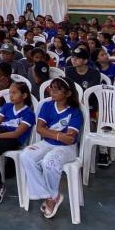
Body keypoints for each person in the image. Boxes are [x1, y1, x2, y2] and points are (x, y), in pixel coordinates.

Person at [19, 77, 83, 219]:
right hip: (47, 143)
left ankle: (50, 198)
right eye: (52, 88)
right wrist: (60, 135)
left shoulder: (75, 111)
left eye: (57, 89)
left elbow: (70, 138)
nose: (52, 91)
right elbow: (40, 130)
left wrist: (54, 134)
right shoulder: (47, 106)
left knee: (49, 162)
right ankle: (52, 195)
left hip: (67, 148)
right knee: (25, 155)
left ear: (68, 93)